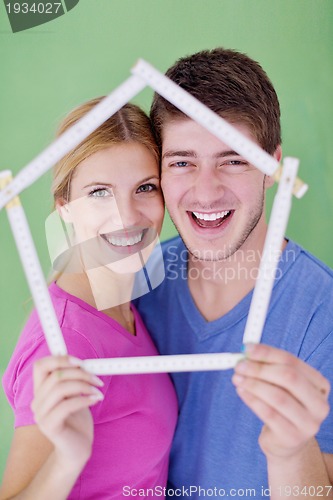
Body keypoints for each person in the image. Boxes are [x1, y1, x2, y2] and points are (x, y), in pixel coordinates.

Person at [133, 48, 333, 498]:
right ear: (159, 173)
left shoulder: (323, 316)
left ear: (272, 168)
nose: (206, 191)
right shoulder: (136, 285)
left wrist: (290, 450)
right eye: (182, 162)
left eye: (233, 159)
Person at [0, 99, 178, 499]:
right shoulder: (63, 345)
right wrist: (67, 458)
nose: (127, 216)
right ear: (65, 207)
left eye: (145, 187)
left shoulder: (128, 300)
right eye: (99, 192)